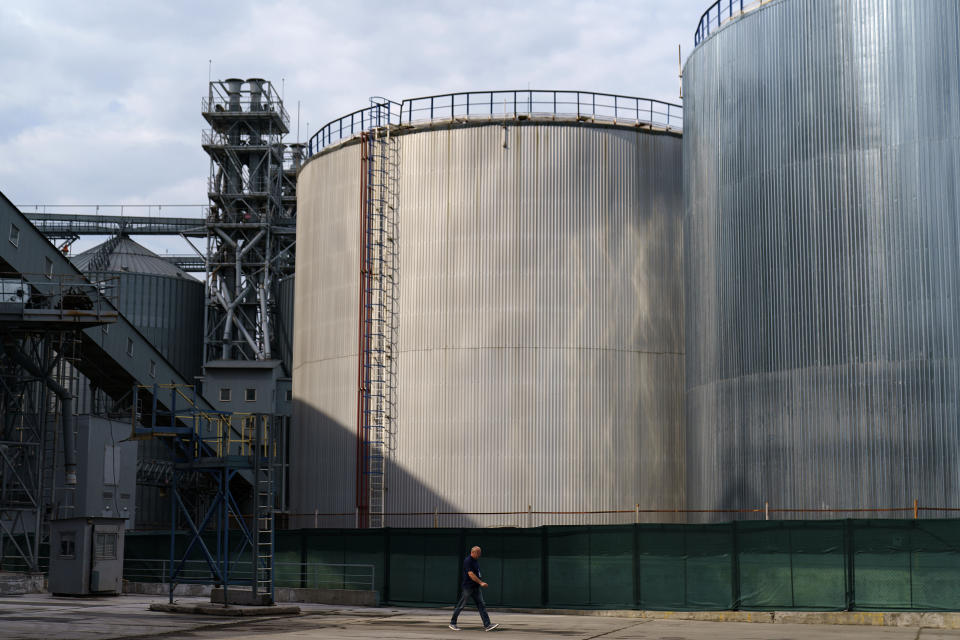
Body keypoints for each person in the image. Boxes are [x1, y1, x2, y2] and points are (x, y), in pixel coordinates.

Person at [449, 546, 499, 632]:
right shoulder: (468, 561)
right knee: (461, 605)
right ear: (473, 552)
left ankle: (487, 625)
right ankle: (452, 623)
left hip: (475, 588)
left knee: (481, 605)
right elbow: (471, 574)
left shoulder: (475, 561)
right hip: (468, 587)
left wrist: (478, 584)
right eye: (479, 552)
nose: (480, 554)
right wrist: (481, 582)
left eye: (480, 552)